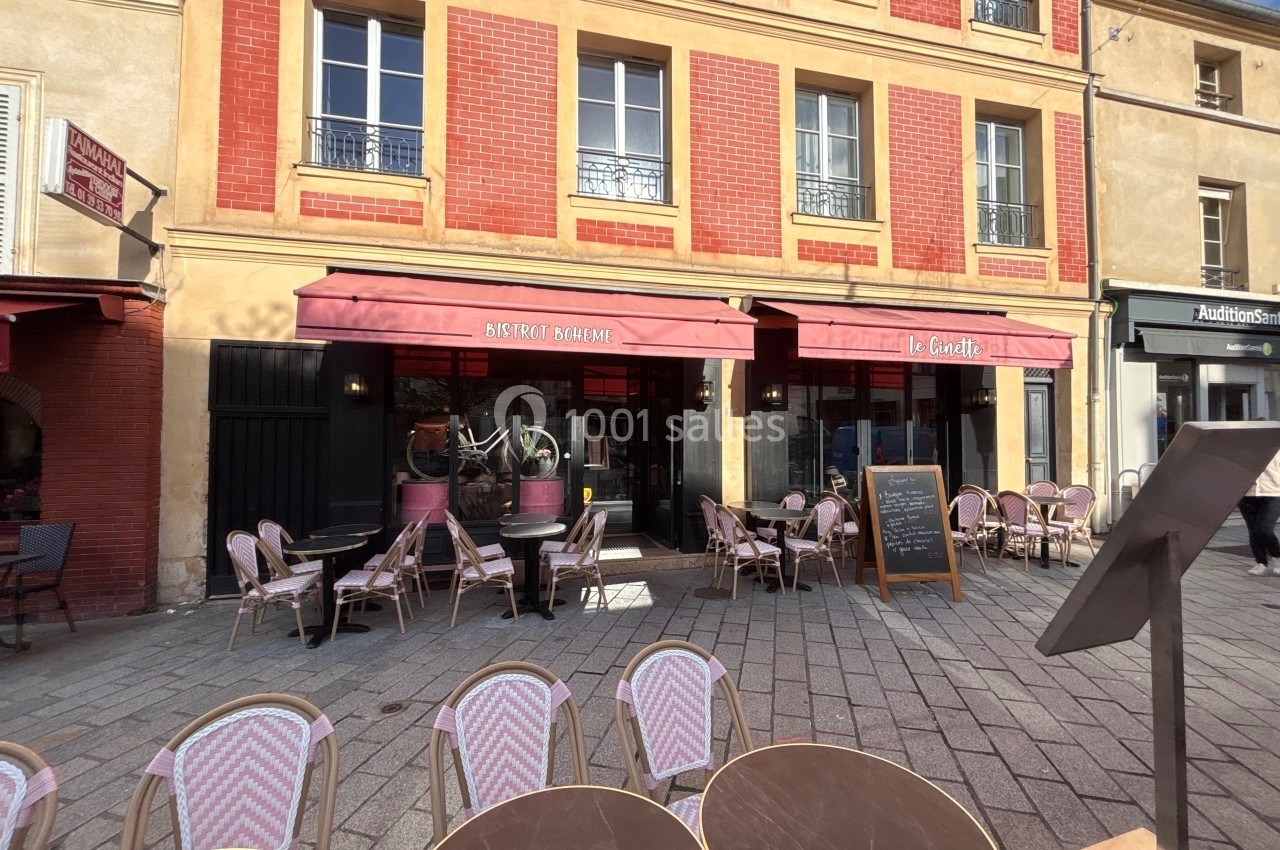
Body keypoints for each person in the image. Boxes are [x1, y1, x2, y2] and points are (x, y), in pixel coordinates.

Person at [1239, 433, 1280, 576]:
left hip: (1273, 492)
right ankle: (1261, 562)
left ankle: (1277, 554)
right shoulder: (1245, 452)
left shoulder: (1277, 450)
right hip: (1248, 494)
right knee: (1253, 530)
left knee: (1264, 527)